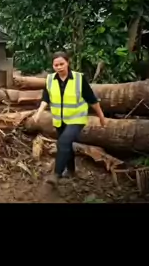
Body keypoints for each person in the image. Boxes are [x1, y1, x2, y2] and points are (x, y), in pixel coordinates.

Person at [33, 51, 107, 186]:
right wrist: (39, 113)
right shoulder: (50, 79)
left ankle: (57, 174)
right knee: (66, 144)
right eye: (56, 65)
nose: (59, 67)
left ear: (68, 63)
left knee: (63, 142)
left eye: (62, 64)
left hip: (76, 119)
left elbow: (91, 99)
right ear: (53, 66)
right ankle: (71, 170)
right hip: (60, 119)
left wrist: (101, 116)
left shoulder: (79, 78)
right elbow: (46, 98)